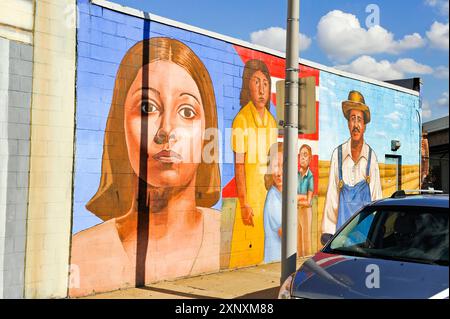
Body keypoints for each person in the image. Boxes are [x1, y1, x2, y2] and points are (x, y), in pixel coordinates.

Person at [69, 37, 221, 297]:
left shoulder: (231, 234)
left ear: (208, 134)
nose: (166, 131)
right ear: (119, 126)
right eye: (147, 107)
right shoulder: (80, 254)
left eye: (186, 112)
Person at [229, 59, 278, 267]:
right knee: (246, 256)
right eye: (256, 82)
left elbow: (275, 162)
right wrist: (243, 203)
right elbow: (238, 166)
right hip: (250, 201)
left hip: (270, 198)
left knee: (269, 252)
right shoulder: (241, 120)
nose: (261, 89)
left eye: (265, 83)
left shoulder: (272, 122)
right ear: (247, 85)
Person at [322, 90, 382, 235]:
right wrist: (328, 232)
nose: (356, 125)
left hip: (365, 235)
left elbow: (377, 198)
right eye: (352, 119)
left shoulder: (371, 157)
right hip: (341, 237)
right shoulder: (338, 155)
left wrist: (376, 232)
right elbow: (332, 197)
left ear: (365, 126)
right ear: (348, 123)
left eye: (359, 120)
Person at [263, 142, 283, 263]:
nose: (279, 172)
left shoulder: (281, 195)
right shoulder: (273, 199)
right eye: (275, 166)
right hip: (275, 262)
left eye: (283, 165)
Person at [297, 144, 314, 256]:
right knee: (297, 238)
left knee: (306, 238)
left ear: (310, 158)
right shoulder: (296, 174)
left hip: (306, 212)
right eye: (301, 155)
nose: (302, 158)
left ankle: (306, 260)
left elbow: (308, 201)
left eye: (305, 155)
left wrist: (297, 198)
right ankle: (298, 259)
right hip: (297, 210)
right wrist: (301, 198)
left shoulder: (310, 177)